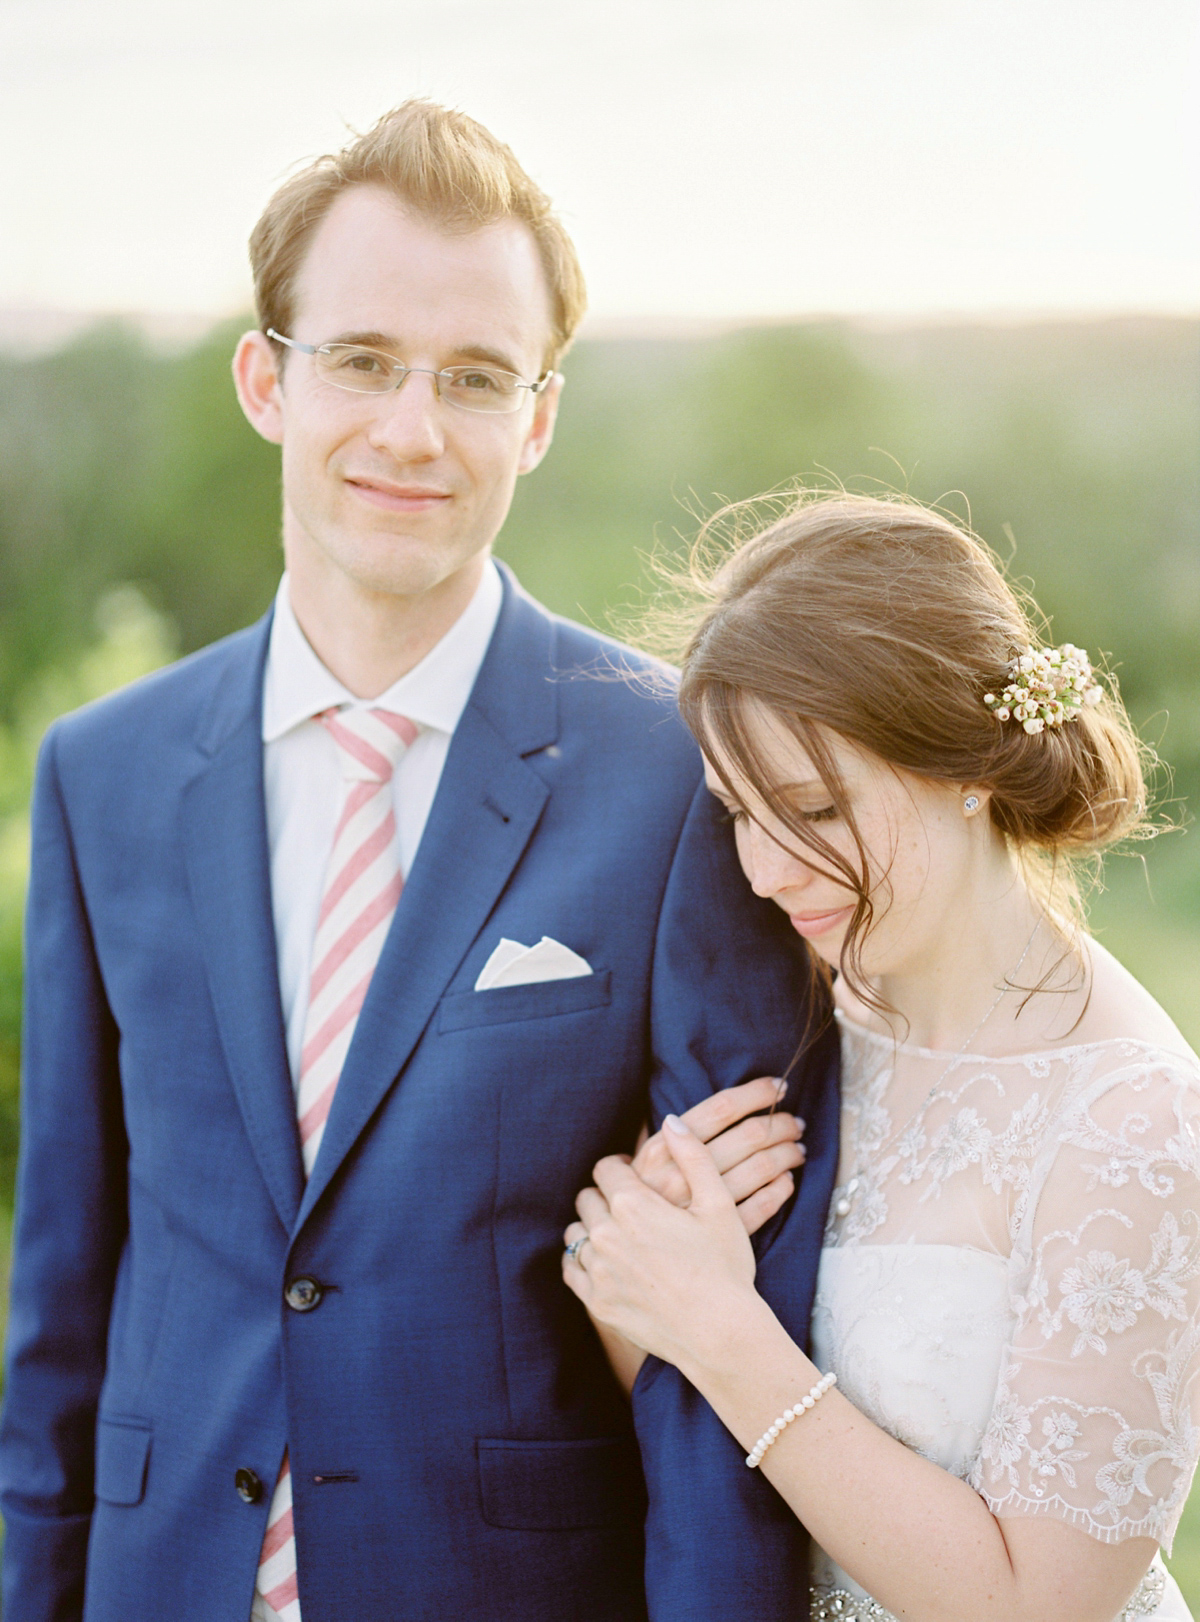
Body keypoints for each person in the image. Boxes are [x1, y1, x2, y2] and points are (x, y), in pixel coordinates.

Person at [0, 104, 840, 1621]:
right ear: (268, 378)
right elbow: (64, 1290)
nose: (411, 427)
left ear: (539, 417)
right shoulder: (101, 776)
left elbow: (730, 1332)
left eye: (473, 379)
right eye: (365, 361)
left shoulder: (673, 776)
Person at [565, 491, 1200, 1622]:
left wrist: (719, 1325)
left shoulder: (1133, 1125)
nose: (764, 872)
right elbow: (691, 1405)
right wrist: (640, 1271)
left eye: (811, 808)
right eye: (736, 815)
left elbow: (1040, 1605)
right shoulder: (783, 1011)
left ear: (966, 763)